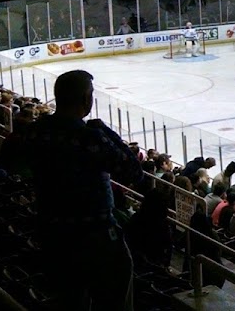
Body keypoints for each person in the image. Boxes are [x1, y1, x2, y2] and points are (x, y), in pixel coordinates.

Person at [15, 69, 143, 311]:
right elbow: (133, 172)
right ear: (86, 99)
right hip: (96, 237)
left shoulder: (35, 132)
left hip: (52, 231)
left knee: (70, 300)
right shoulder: (89, 139)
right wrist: (106, 132)